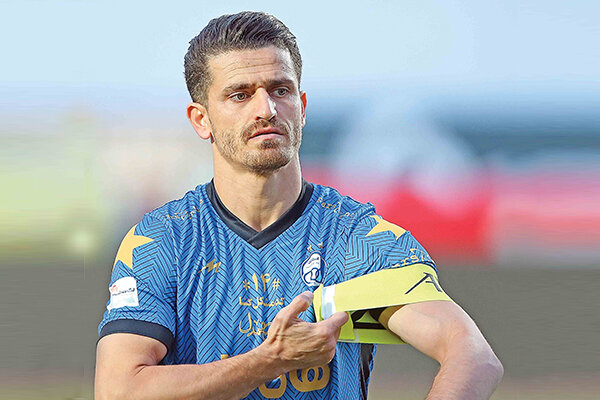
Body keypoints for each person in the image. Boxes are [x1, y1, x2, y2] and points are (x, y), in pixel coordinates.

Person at [95, 11, 503, 400]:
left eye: (280, 90)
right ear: (201, 120)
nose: (266, 109)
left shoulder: (358, 239)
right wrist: (269, 362)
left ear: (302, 107)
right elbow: (118, 391)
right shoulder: (162, 241)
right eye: (240, 95)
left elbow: (473, 355)